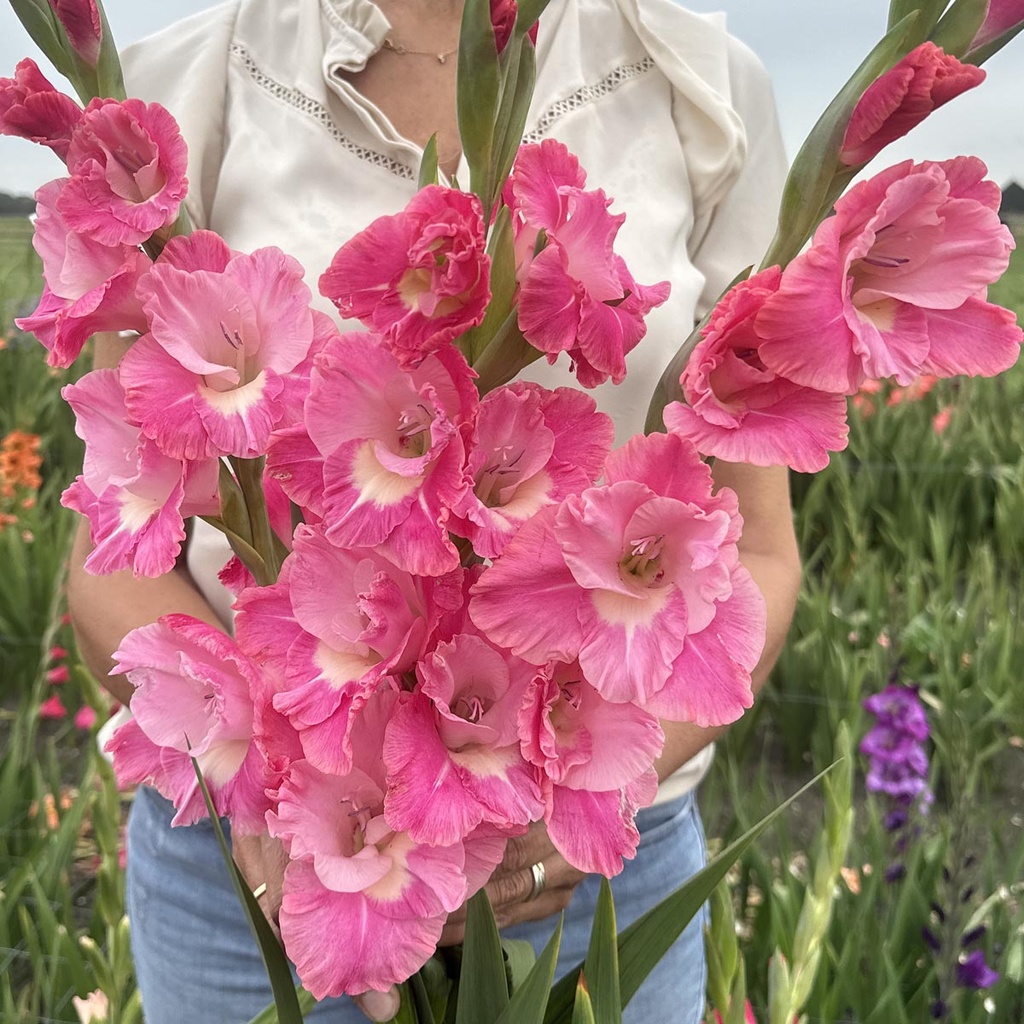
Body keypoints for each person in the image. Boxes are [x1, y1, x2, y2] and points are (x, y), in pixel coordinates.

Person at [68, 0, 802, 1021]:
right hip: (251, 864)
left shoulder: (703, 86)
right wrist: (271, 786)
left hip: (585, 869)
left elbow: (757, 553)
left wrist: (559, 801)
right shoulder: (181, 86)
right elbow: (109, 558)